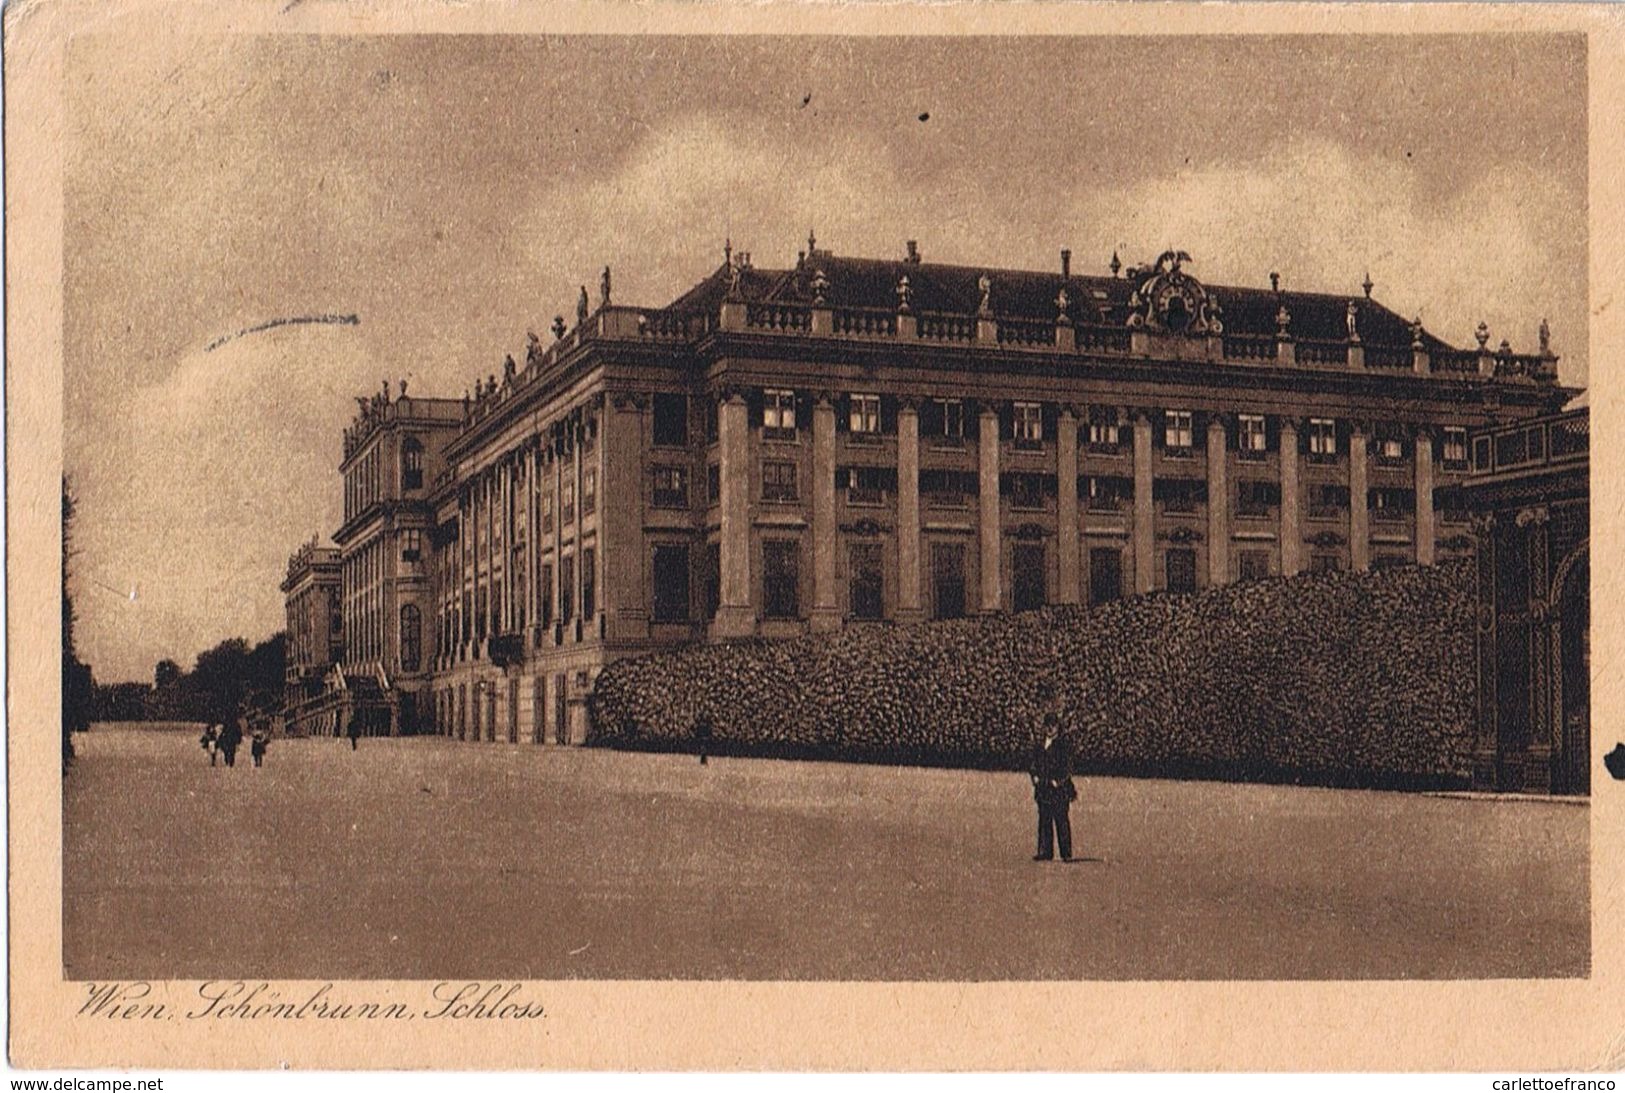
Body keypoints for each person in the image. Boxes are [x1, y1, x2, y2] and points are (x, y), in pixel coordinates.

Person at [1029, 714, 1077, 862]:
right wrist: (1034, 776)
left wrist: (1059, 780)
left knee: (1061, 820)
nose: (1050, 728)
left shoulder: (1064, 745)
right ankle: (1045, 851)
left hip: (1059, 790)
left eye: (1053, 725)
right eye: (1047, 725)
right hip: (1043, 788)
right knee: (1044, 820)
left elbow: (1068, 767)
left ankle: (1066, 853)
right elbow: (1033, 763)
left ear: (1058, 727)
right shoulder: (1040, 744)